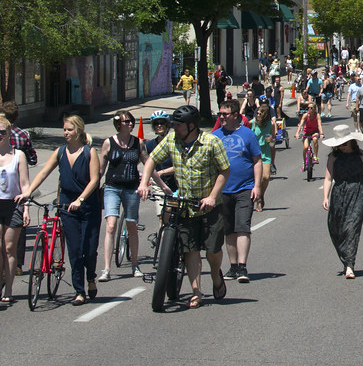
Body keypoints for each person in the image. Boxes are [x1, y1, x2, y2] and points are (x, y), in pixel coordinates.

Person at [139, 105, 230, 309]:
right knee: (190, 249)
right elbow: (151, 159)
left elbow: (224, 171)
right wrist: (144, 183)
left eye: (178, 125)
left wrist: (212, 196)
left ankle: (216, 276)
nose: (174, 128)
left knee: (213, 250)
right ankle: (196, 291)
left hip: (209, 205)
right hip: (186, 205)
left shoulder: (211, 142)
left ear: (191, 126)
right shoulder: (172, 140)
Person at [17, 115, 101, 306]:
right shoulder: (60, 152)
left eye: (69, 130)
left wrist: (80, 200)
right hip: (66, 206)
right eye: (64, 129)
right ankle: (79, 291)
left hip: (88, 206)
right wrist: (28, 192)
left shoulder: (89, 152)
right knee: (75, 250)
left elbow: (95, 180)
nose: (65, 133)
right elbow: (43, 173)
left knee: (89, 250)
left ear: (79, 131)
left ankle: (91, 277)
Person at [211, 99, 262, 284]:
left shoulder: (247, 135)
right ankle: (233, 266)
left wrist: (257, 186)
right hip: (222, 190)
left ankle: (242, 266)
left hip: (245, 188)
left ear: (235, 115)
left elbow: (257, 161)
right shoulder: (215, 136)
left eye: (225, 114)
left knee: (243, 227)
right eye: (220, 114)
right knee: (229, 230)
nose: (221, 117)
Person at [97, 111, 149, 281]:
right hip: (112, 188)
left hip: (131, 189)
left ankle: (135, 265)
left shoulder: (138, 143)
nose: (131, 124)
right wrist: (90, 187)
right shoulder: (108, 143)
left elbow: (148, 164)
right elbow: (100, 170)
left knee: (131, 225)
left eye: (132, 121)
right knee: (110, 226)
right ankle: (106, 269)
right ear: (118, 124)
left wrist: (160, 185)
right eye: (127, 122)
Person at [322, 124, 363, 279]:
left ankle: (350, 264)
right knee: (336, 229)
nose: (342, 147)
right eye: (339, 144)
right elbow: (328, 178)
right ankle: (346, 259)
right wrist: (325, 197)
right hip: (339, 193)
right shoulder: (333, 157)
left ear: (351, 141)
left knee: (351, 228)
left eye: (344, 143)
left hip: (357, 191)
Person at [3, 101, 37, 276]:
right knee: (19, 229)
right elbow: (33, 158)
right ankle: (18, 264)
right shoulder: (23, 134)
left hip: (7, 186)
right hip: (17, 182)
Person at [0, 115, 30, 303]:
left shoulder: (18, 155)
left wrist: (26, 208)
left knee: (9, 248)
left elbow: (25, 185)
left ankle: (9, 290)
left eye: (2, 132)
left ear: (9, 133)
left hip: (13, 205)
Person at [251, 104, 276, 212]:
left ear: (265, 114)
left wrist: (271, 143)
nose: (258, 115)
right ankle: (258, 199)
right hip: (254, 154)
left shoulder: (270, 124)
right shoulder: (252, 123)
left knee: (265, 177)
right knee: (255, 178)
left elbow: (271, 140)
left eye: (260, 113)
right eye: (257, 113)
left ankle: (261, 195)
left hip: (265, 153)